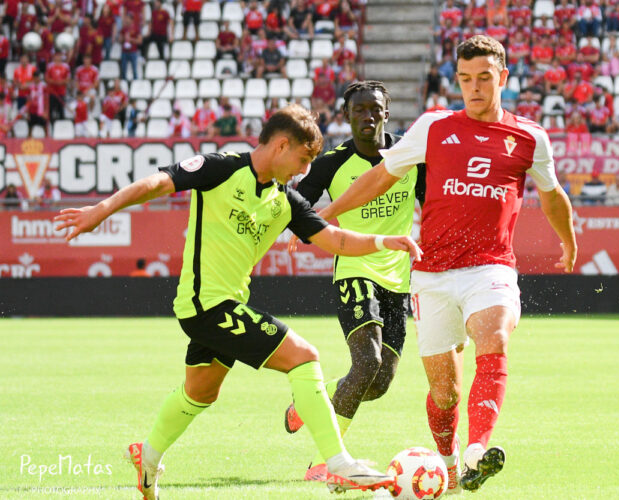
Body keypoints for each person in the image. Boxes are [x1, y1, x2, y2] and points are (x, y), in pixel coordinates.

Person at [54, 105, 423, 500]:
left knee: (200, 392)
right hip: (207, 305)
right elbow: (157, 183)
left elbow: (335, 239)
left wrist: (386, 241)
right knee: (303, 357)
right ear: (281, 145)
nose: (303, 171)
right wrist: (102, 209)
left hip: (222, 306)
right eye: (303, 159)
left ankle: (148, 457)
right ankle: (338, 464)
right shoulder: (220, 168)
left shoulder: (285, 200)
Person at [313, 35, 577, 493]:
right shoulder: (433, 127)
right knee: (445, 392)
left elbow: (553, 197)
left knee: (494, 338)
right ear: (457, 80)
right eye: (466, 79)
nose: (474, 87)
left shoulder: (530, 137)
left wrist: (568, 243)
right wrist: (328, 213)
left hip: (491, 267)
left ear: (503, 78)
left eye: (485, 78)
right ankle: (451, 467)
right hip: (432, 275)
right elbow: (380, 176)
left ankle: (477, 450)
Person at [282, 81, 425, 483]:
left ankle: (310, 402)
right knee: (367, 362)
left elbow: (431, 204)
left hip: (398, 279)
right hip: (355, 268)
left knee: (377, 383)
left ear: (386, 113)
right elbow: (299, 204)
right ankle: (326, 464)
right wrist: (303, 228)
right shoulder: (332, 163)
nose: (367, 116)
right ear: (346, 116)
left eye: (374, 108)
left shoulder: (410, 157)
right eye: (358, 109)